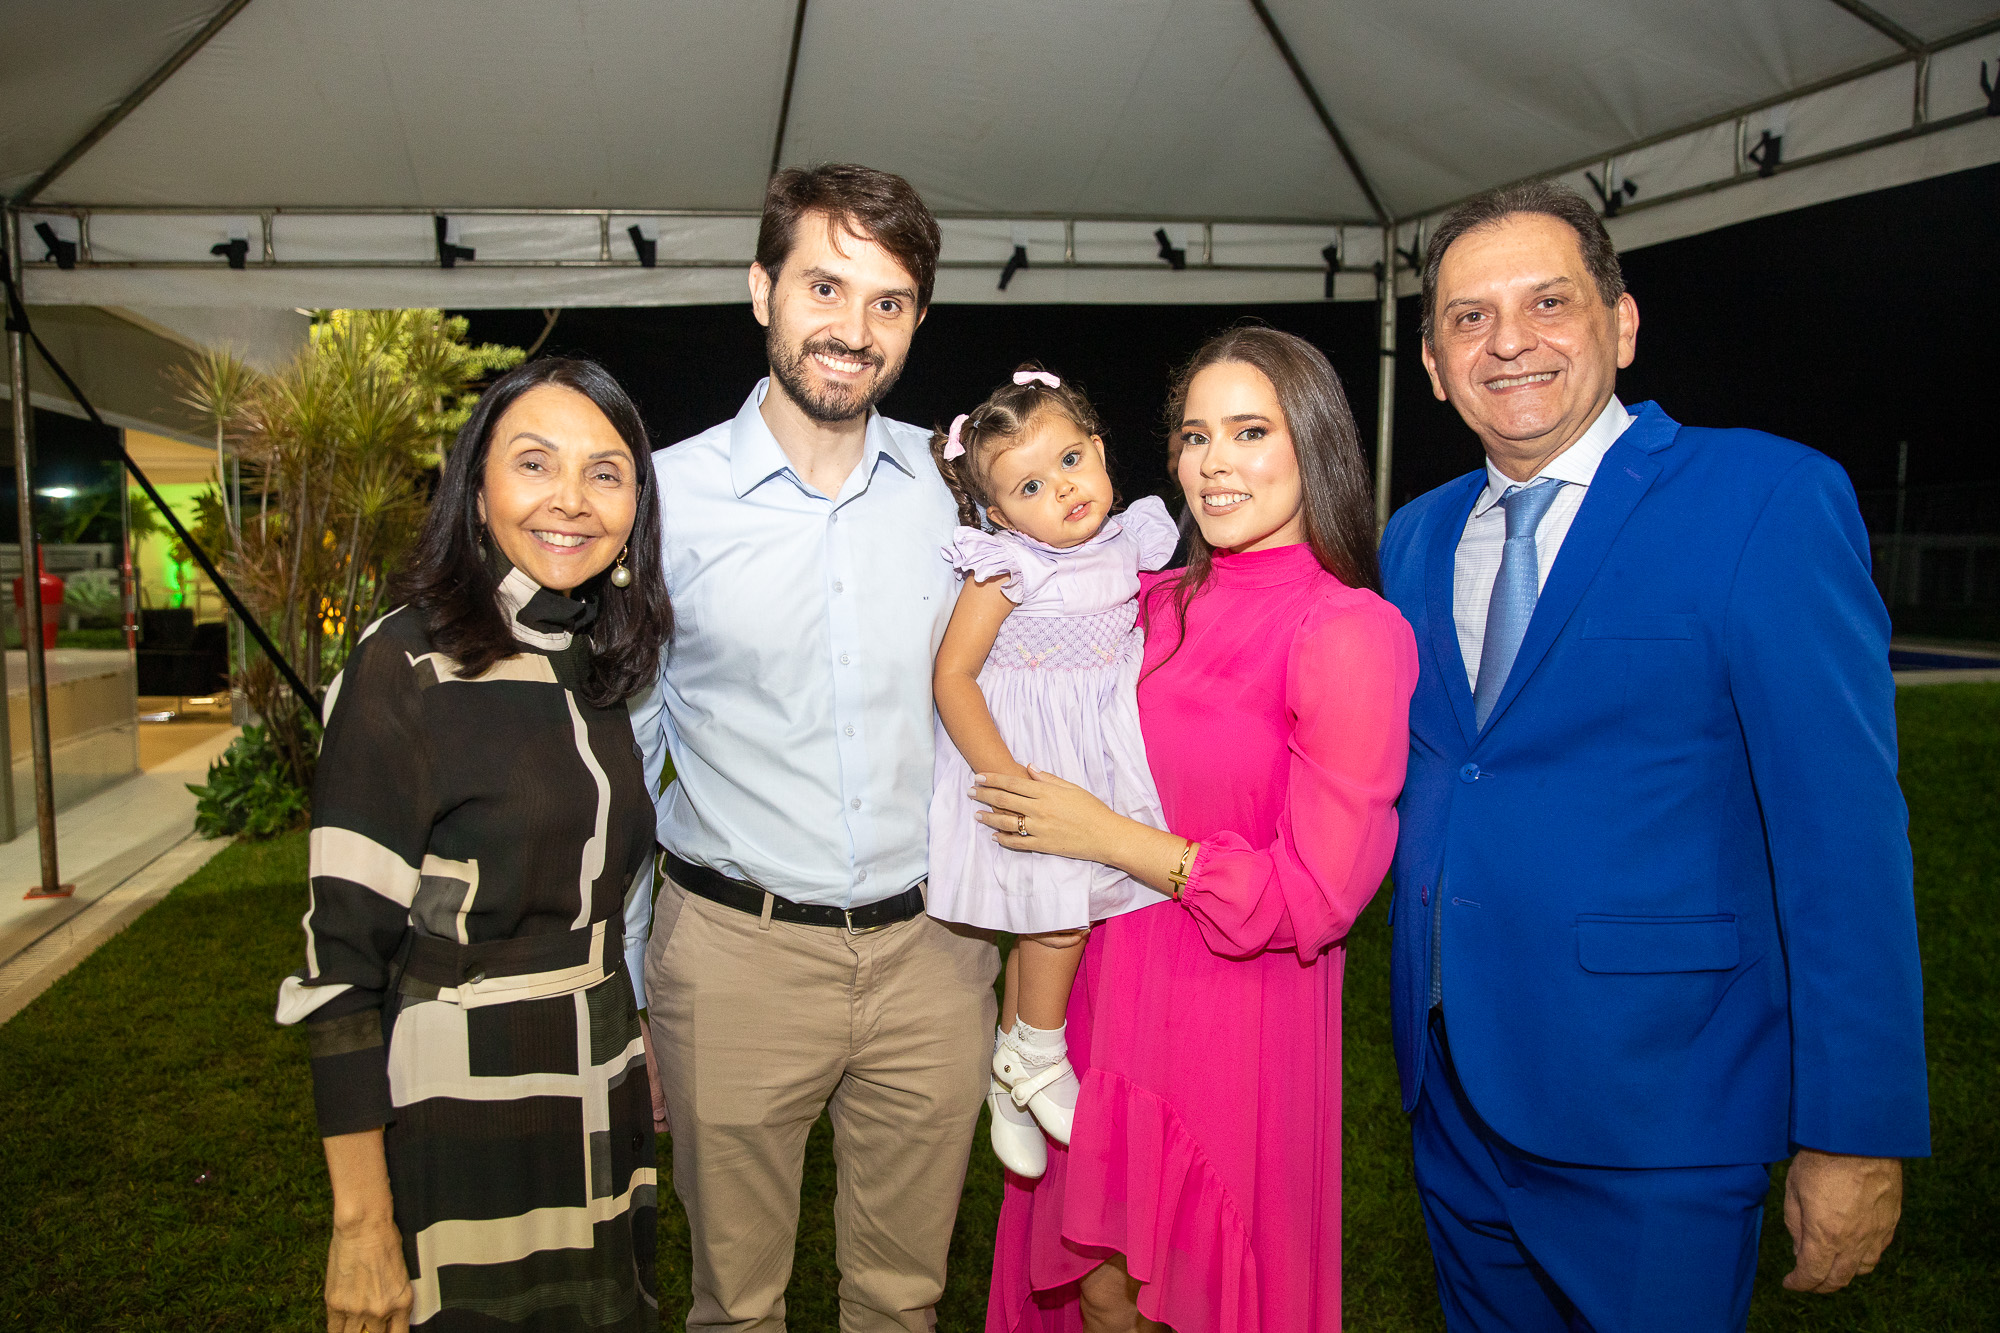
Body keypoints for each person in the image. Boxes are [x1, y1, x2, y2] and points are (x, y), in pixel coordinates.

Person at [1377, 180, 1930, 1331]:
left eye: (1546, 302)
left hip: (1660, 1107)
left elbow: (1841, 836)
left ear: (1620, 323)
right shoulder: (1416, 534)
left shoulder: (1762, 498)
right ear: (1430, 362)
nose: (1509, 341)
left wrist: (1853, 1129)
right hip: (1453, 1095)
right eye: (1467, 317)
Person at [979, 326, 1417, 1332]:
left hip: (1228, 1025)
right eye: (1193, 434)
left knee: (1176, 1294)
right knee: (1094, 1294)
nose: (1214, 461)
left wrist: (1106, 836)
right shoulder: (1143, 602)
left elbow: (1314, 897)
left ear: (1312, 442)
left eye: (1249, 430)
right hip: (1089, 1005)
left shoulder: (1346, 631)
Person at [625, 163, 1000, 1332]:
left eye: (886, 302)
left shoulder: (961, 497)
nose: (851, 329)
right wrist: (632, 984)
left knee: (902, 1299)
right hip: (734, 958)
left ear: (916, 322)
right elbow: (629, 755)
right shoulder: (663, 500)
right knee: (734, 1302)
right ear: (760, 290)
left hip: (935, 955)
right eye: (823, 288)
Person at [277, 357, 676, 1333]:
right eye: (534, 463)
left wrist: (633, 1033)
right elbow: (339, 972)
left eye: (605, 471)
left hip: (595, 1077)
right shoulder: (403, 665)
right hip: (461, 1096)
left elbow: (599, 894)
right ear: (477, 487)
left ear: (636, 506)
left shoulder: (598, 661)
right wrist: (363, 1221)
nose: (571, 501)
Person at [924, 365, 1180, 1180]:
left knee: (1057, 915)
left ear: (1101, 449)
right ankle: (1036, 1053)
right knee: (1057, 918)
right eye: (1031, 484)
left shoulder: (1132, 538)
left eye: (1072, 459)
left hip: (1097, 754)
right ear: (999, 513)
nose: (1063, 488)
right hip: (1032, 763)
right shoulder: (1005, 566)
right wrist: (1007, 780)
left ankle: (1011, 1073)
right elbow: (952, 675)